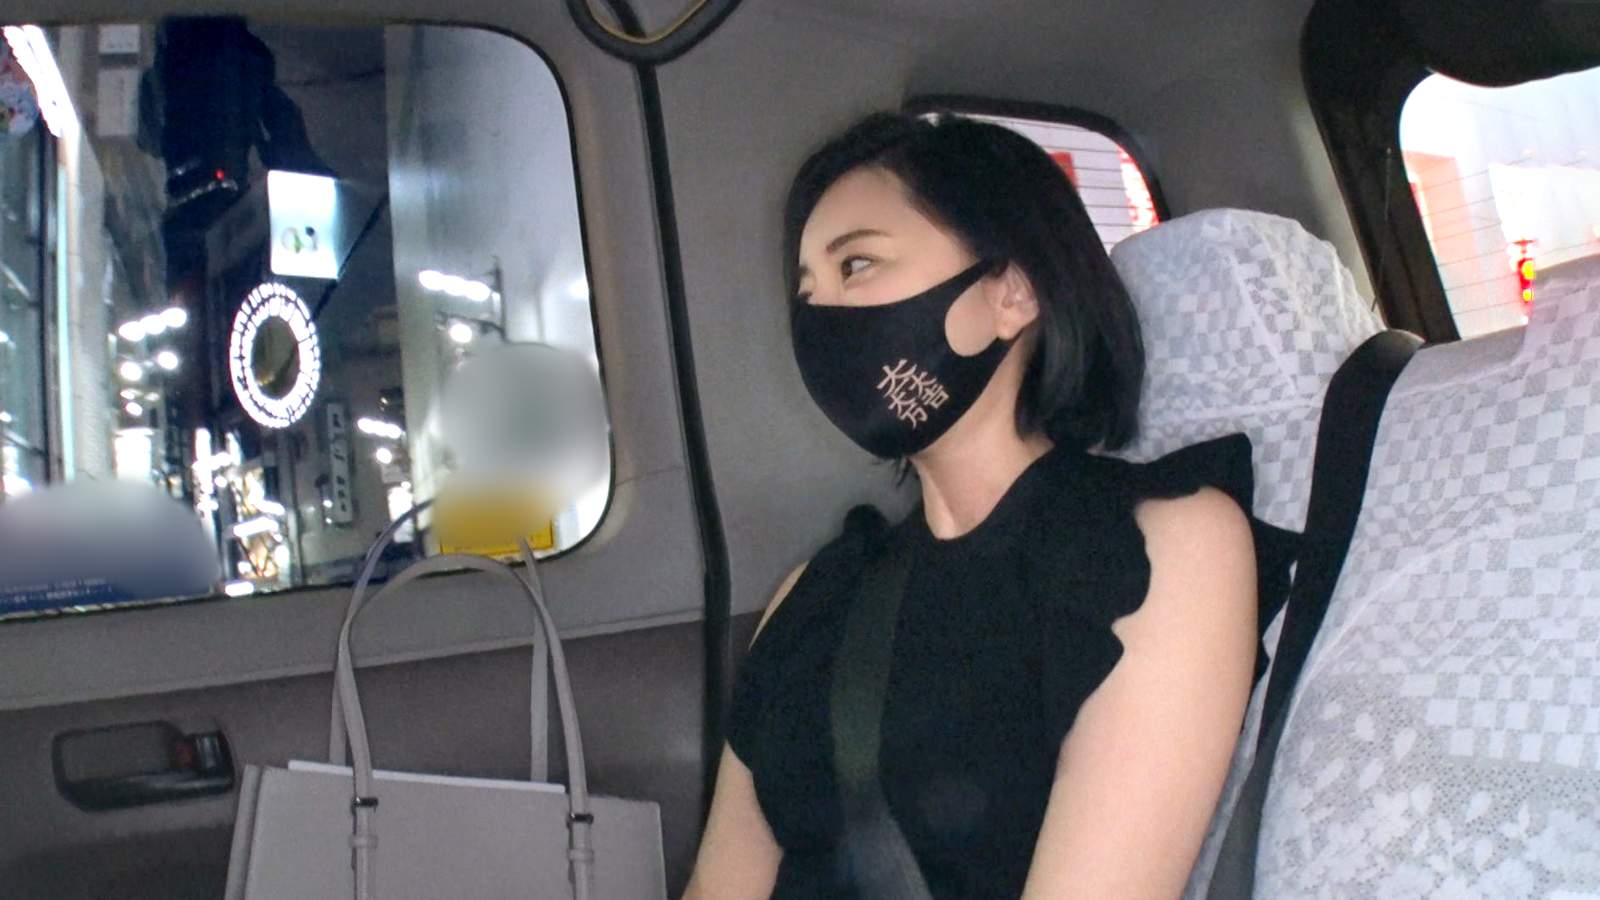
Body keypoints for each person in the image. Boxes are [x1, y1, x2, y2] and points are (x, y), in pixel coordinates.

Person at [684, 112, 1270, 899]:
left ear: (1011, 294)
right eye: (807, 292)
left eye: (857, 265)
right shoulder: (812, 595)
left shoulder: (1162, 548)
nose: (821, 320)